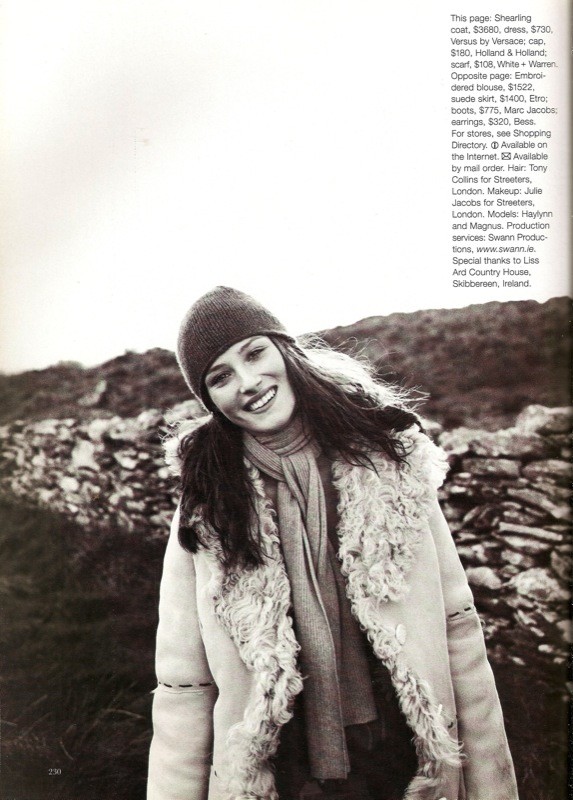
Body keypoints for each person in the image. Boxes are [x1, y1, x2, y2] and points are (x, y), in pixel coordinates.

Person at [147, 286, 518, 800]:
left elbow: (457, 629)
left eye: (255, 353)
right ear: (209, 399)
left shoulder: (388, 463)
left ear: (285, 351)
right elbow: (184, 683)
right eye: (220, 376)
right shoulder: (208, 504)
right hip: (284, 766)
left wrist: (492, 787)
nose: (248, 383)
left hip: (402, 748)